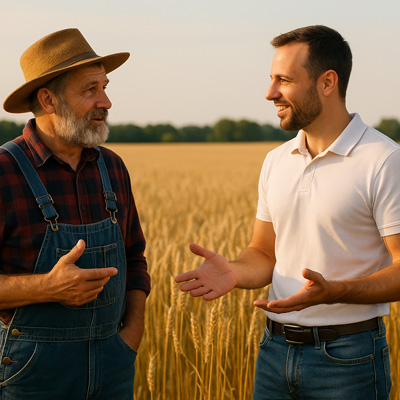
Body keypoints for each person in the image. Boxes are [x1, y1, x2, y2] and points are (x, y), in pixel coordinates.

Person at [175, 25, 400, 399]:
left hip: (348, 360)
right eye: (271, 79)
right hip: (273, 353)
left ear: (327, 82)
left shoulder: (383, 160)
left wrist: (335, 292)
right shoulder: (276, 160)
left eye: (284, 80)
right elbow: (263, 253)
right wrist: (234, 270)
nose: (270, 93)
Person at [0, 28, 151, 399]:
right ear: (48, 100)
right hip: (30, 373)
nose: (107, 102)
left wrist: (130, 339)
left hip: (114, 366)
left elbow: (135, 260)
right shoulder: (4, 171)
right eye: (91, 90)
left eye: (105, 86)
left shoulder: (112, 167)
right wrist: (47, 288)